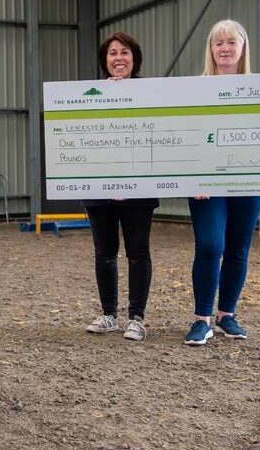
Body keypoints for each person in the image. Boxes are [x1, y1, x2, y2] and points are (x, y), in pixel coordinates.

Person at [184, 19, 260, 345]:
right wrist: (192, 176)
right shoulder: (194, 90)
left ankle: (226, 315)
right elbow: (185, 136)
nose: (225, 48)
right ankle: (201, 319)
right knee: (209, 244)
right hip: (206, 184)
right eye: (219, 43)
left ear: (243, 48)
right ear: (211, 49)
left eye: (232, 42)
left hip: (249, 181)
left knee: (237, 248)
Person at [84, 32, 159, 342]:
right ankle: (109, 315)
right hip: (99, 190)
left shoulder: (152, 94)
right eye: (112, 53)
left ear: (134, 58)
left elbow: (158, 134)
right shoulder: (88, 95)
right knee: (104, 252)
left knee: (138, 252)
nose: (118, 58)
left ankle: (137, 318)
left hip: (139, 189)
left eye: (125, 52)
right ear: (105, 60)